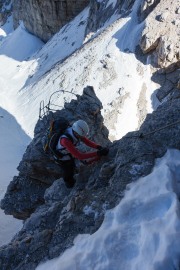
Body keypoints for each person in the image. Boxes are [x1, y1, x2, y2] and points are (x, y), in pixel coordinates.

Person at [55, 119, 109, 188]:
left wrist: (98, 147)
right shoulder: (65, 141)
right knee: (68, 169)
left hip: (67, 152)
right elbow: (79, 156)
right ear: (76, 133)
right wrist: (98, 153)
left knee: (72, 165)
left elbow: (86, 141)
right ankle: (68, 182)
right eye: (81, 136)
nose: (82, 137)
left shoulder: (75, 132)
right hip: (61, 157)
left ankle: (73, 172)